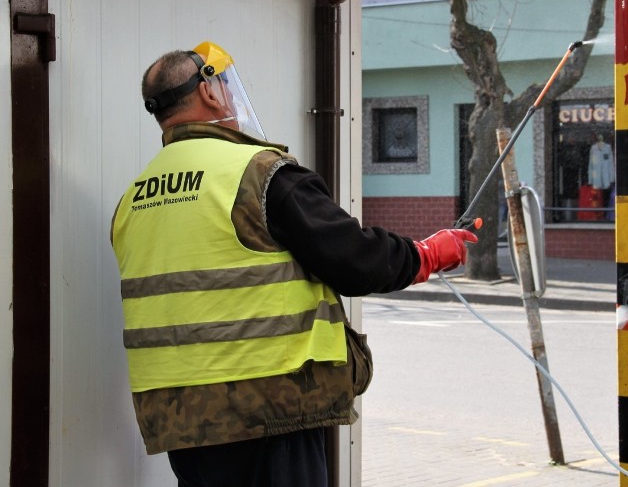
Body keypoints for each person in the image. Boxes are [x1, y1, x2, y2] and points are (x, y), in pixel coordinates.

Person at [110, 42, 477, 487]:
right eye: (223, 85)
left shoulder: (134, 199)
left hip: (181, 421)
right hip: (269, 409)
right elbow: (354, 259)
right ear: (208, 92)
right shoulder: (258, 173)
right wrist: (427, 255)